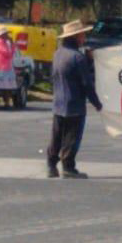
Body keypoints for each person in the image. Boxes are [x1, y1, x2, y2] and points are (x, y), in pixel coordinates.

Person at [47, 20, 103, 179]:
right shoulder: (77, 57)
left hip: (58, 102)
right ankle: (68, 167)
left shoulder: (58, 54)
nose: (84, 37)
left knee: (56, 136)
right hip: (74, 104)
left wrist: (88, 60)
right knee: (72, 138)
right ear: (76, 36)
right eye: (83, 34)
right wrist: (96, 103)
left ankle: (51, 166)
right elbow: (86, 83)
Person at [0, 26, 17, 108]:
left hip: (4, 66)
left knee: (6, 86)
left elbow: (10, 55)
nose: (7, 36)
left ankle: (6, 101)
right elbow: (8, 54)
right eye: (6, 34)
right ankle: (6, 102)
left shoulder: (2, 42)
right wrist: (12, 45)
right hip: (1, 67)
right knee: (5, 86)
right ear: (2, 35)